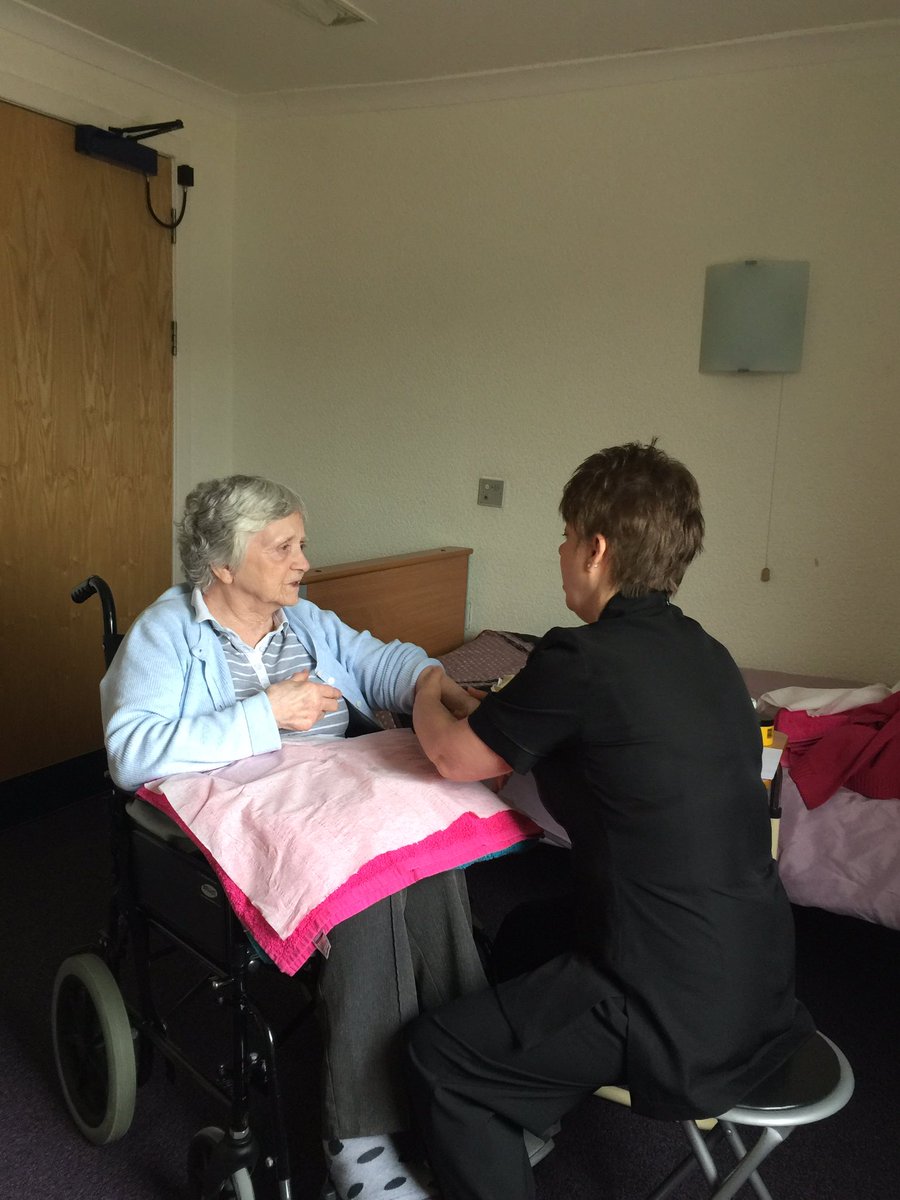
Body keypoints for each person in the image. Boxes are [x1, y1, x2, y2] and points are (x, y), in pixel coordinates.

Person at [407, 441, 815, 1200]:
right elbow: (542, 731)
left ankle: (482, 1105)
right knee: (528, 931)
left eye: (566, 535)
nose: (560, 550)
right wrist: (483, 712)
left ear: (596, 550)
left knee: (440, 1056)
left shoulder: (581, 658)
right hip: (758, 974)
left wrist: (427, 683)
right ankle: (522, 1106)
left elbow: (454, 758)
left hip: (668, 1000)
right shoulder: (708, 655)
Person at [101, 474, 487, 1200]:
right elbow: (130, 751)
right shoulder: (166, 634)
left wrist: (435, 684)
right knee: (364, 892)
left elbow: (380, 661)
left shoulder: (302, 622)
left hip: (328, 809)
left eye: (301, 544)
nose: (303, 562)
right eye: (284, 547)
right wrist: (266, 712)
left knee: (436, 864)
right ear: (223, 563)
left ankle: (467, 1086)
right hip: (236, 832)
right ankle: (359, 1144)